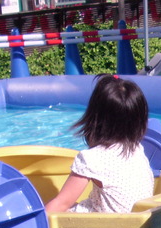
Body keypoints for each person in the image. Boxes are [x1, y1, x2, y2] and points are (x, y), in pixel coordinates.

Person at [45, 75, 154, 213]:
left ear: (95, 116)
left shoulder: (91, 159)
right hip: (138, 221)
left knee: (57, 207)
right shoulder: (137, 150)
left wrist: (33, 222)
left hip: (106, 225)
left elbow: (61, 204)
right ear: (139, 120)